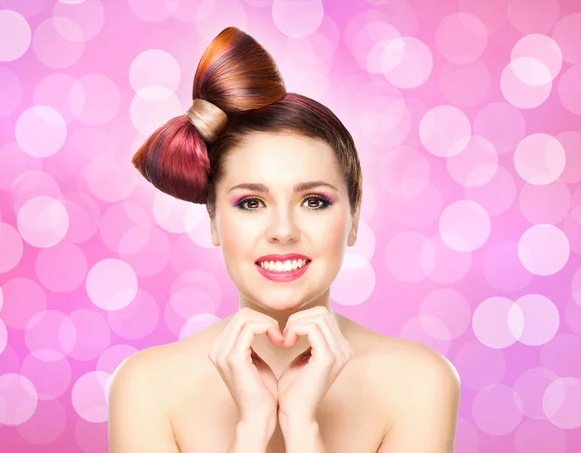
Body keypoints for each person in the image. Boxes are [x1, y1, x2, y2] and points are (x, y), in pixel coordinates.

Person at [108, 26, 460, 453]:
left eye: (313, 201)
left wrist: (301, 427)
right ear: (215, 221)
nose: (283, 230)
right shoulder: (147, 387)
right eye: (251, 203)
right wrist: (252, 429)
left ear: (354, 216)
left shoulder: (419, 383)